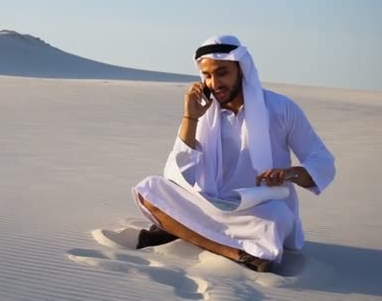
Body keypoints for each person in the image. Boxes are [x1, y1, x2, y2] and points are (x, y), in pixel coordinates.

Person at [131, 35, 336, 272]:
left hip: (257, 212)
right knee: (150, 188)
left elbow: (322, 162)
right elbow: (178, 174)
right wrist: (191, 117)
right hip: (209, 203)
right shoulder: (202, 111)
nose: (214, 83)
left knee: (277, 218)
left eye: (222, 73)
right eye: (207, 75)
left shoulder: (281, 108)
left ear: (242, 70)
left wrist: (289, 174)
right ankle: (231, 251)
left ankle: (183, 229)